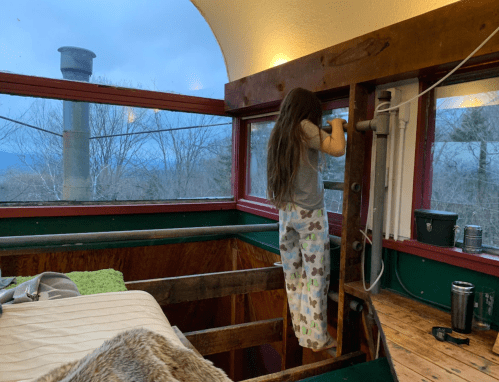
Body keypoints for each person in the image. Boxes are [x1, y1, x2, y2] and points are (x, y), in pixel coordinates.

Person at [266, 88, 346, 351]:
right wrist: (336, 125)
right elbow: (336, 148)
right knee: (315, 275)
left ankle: (301, 331)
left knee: (292, 275)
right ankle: (316, 338)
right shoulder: (304, 127)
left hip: (286, 213)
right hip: (309, 215)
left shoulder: (280, 131)